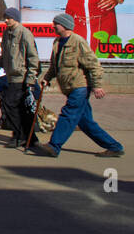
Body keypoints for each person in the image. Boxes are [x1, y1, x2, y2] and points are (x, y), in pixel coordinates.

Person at [30, 13, 123, 158]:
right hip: (69, 88)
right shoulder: (57, 42)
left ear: (65, 25)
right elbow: (55, 66)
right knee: (86, 123)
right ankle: (114, 147)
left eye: (56, 24)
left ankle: (54, 146)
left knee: (68, 114)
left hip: (80, 87)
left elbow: (94, 65)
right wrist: (47, 78)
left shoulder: (78, 42)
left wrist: (97, 86)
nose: (53, 26)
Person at [0, 7, 40, 150]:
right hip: (10, 76)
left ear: (16, 18)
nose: (6, 20)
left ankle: (19, 135)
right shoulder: (6, 33)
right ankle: (30, 138)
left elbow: (33, 58)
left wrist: (31, 79)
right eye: (5, 17)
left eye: (9, 18)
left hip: (22, 77)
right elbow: (4, 55)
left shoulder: (25, 34)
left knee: (9, 105)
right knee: (21, 108)